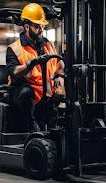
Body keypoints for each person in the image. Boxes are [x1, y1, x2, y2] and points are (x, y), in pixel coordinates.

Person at [6, 3, 65, 132]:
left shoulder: (48, 45)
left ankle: (53, 129)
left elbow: (59, 63)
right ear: (27, 26)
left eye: (42, 26)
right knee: (26, 93)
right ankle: (32, 127)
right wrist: (31, 64)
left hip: (43, 91)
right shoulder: (15, 48)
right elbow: (14, 71)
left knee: (61, 95)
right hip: (21, 91)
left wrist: (59, 75)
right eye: (37, 26)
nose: (41, 29)